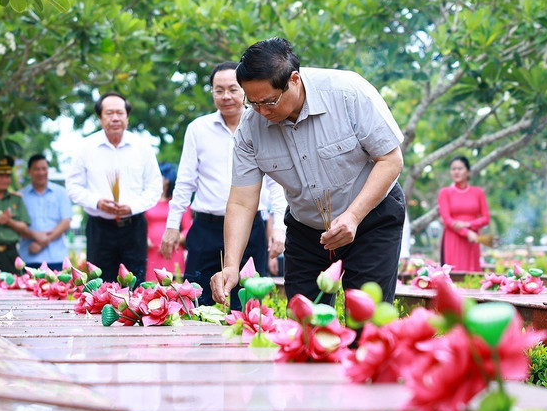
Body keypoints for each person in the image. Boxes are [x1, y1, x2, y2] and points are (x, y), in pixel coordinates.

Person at [210, 38, 405, 306]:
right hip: (306, 229)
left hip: (371, 220)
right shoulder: (250, 126)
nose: (262, 112)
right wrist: (231, 265)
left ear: (294, 80)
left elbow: (390, 160)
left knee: (367, 320)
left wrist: (353, 216)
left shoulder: (347, 92)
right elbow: (242, 202)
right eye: (252, 103)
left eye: (269, 102)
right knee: (304, 324)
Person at [159, 61, 287, 309]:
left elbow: (276, 183)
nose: (226, 96)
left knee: (249, 306)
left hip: (252, 230)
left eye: (232, 89)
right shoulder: (198, 129)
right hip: (206, 229)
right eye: (219, 90)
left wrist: (279, 229)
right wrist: (172, 225)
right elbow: (185, 182)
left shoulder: (264, 126)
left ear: (245, 90)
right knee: (195, 302)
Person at [66, 92, 162, 284]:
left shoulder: (142, 146)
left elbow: (155, 186)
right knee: (100, 283)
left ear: (127, 117)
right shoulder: (86, 147)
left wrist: (133, 207)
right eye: (109, 113)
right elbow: (73, 186)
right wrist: (97, 202)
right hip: (100, 227)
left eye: (120, 113)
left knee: (135, 282)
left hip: (133, 226)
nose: (115, 118)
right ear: (100, 118)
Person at [20, 153, 74, 269]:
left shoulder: (61, 193)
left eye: (44, 169)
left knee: (58, 288)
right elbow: (18, 226)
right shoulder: (21, 196)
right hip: (28, 259)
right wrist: (35, 236)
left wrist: (42, 241)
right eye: (37, 169)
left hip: (56, 259)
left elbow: (66, 223)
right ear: (29, 171)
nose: (41, 172)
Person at [437, 156, 489, 272]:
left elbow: (486, 218)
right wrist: (467, 233)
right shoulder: (445, 193)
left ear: (468, 171)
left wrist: (468, 225)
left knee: (472, 273)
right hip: (453, 238)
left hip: (473, 238)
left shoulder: (478, 192)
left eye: (460, 168)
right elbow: (447, 219)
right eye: (453, 169)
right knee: (454, 274)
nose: (456, 172)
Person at [145, 162, 191, 280]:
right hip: (151, 251)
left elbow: (188, 229)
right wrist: (143, 239)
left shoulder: (178, 203)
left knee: (174, 287)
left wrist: (171, 241)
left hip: (172, 252)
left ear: (167, 179)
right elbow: (139, 225)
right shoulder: (148, 201)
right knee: (150, 287)